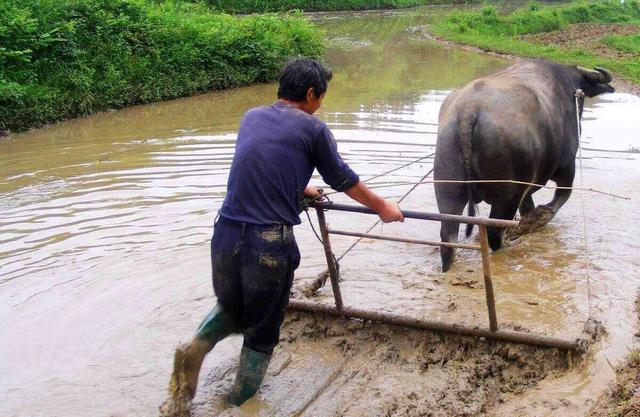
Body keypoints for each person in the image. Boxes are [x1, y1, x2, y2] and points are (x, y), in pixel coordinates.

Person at [162, 57, 404, 413]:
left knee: (233, 307)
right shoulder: (313, 128)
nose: (321, 104)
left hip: (225, 232)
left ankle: (196, 346)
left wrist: (300, 187)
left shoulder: (251, 117)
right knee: (261, 332)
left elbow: (262, 165)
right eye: (321, 97)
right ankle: (238, 405)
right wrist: (382, 206)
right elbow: (343, 179)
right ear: (310, 94)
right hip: (267, 244)